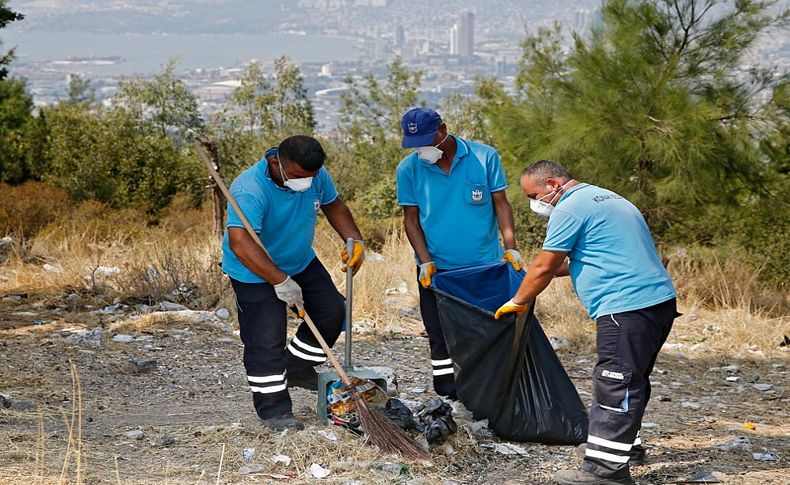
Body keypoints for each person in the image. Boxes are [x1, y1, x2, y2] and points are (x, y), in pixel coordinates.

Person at [495, 160, 679, 485]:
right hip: (657, 303)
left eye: (533, 194)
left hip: (626, 306)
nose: (533, 203)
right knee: (632, 379)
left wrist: (517, 301)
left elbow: (546, 264)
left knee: (615, 380)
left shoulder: (570, 207)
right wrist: (535, 272)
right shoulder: (606, 197)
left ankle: (605, 471)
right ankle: (624, 448)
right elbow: (585, 256)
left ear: (552, 184)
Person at [221, 135, 365, 430]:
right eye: (300, 177)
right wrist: (280, 281)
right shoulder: (250, 189)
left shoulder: (314, 174)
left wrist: (355, 239)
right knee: (266, 338)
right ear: (276, 163)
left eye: (311, 177)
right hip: (253, 267)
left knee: (333, 310)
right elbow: (240, 243)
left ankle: (296, 367)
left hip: (299, 259)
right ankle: (274, 411)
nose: (307, 183)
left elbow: (333, 205)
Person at [396, 107, 524, 400]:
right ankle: (448, 397)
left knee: (485, 331)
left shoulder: (483, 157)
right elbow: (411, 219)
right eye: (416, 145)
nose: (422, 150)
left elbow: (501, 204)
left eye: (427, 141)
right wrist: (425, 260)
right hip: (438, 271)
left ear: (443, 129)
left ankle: (490, 393)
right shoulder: (409, 169)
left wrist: (511, 248)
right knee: (440, 337)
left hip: (484, 266)